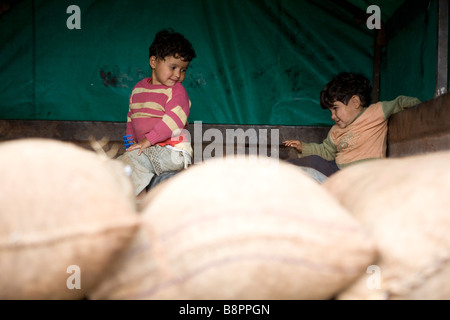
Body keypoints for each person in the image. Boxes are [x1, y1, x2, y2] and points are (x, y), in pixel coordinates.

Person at [283, 72, 421, 176]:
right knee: (312, 161)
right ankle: (278, 172)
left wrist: (418, 108)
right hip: (338, 171)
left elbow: (399, 102)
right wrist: (303, 147)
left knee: (312, 165)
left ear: (355, 102)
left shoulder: (376, 112)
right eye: (330, 111)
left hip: (368, 172)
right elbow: (326, 152)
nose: (332, 116)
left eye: (335, 109)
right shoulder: (335, 131)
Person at [118, 28, 196, 197]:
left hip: (173, 151)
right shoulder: (138, 89)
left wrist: (147, 141)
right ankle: (138, 207)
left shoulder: (177, 91)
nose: (178, 74)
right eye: (173, 67)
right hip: (149, 149)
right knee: (121, 165)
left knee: (133, 162)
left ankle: (136, 209)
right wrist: (130, 145)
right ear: (153, 62)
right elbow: (131, 120)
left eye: (183, 70)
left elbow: (173, 122)